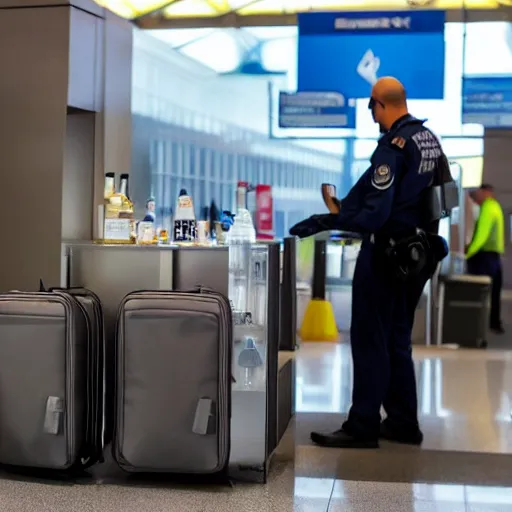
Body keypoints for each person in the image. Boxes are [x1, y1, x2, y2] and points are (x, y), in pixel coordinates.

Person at [292, 77, 451, 449]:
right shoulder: (429, 140)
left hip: (385, 256)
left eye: (371, 109)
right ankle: (402, 423)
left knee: (368, 339)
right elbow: (443, 201)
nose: (373, 117)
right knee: (397, 339)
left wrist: (327, 220)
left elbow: (375, 215)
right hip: (416, 255)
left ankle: (362, 425)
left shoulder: (392, 148)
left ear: (378, 104)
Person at [466, 184, 505, 334]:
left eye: (479, 193)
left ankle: (476, 326)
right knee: (495, 293)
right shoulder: (496, 207)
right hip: (494, 257)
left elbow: (481, 236)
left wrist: (468, 255)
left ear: (485, 192)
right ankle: (494, 323)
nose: (477, 196)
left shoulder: (488, 208)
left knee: (479, 293)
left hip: (485, 257)